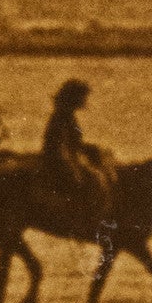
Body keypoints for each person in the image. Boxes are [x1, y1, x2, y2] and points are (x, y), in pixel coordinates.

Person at [39, 76, 115, 232]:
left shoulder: (68, 116)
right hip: (59, 158)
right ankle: (84, 218)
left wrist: (91, 149)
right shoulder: (61, 117)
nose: (83, 101)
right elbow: (59, 146)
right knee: (92, 178)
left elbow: (75, 142)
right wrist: (74, 163)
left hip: (68, 155)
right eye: (81, 98)